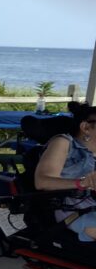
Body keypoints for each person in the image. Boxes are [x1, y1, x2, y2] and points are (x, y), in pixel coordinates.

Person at [34, 102, 96, 242]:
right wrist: (82, 182)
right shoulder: (64, 142)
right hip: (72, 210)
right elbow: (42, 181)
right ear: (85, 127)